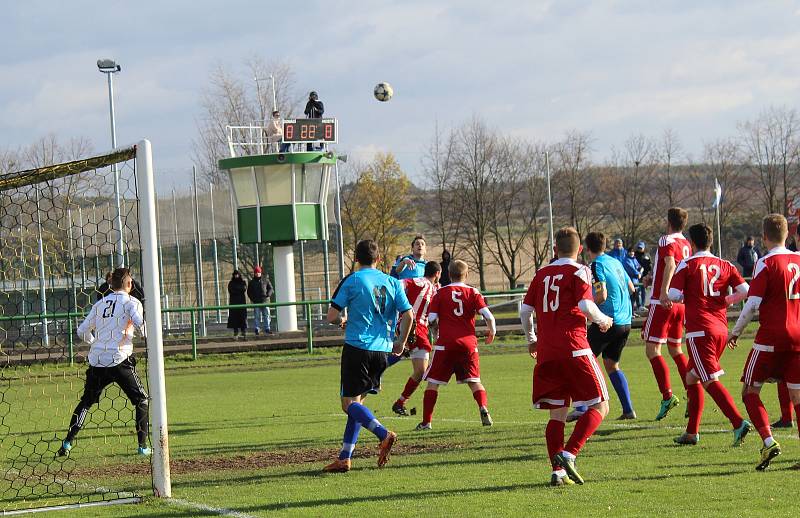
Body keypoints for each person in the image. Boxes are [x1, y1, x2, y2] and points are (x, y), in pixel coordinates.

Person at [520, 227, 613, 486]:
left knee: (557, 414)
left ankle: (557, 472)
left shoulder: (540, 274)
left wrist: (532, 339)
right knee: (601, 406)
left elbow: (525, 311)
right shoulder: (580, 270)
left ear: (554, 250)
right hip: (575, 348)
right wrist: (603, 320)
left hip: (547, 352)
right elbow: (585, 305)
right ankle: (569, 454)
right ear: (579, 249)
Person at [322, 239, 413, 473]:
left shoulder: (353, 280)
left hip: (357, 349)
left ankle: (383, 434)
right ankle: (344, 457)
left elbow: (331, 315)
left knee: (348, 404)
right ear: (379, 259)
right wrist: (400, 343)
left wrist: (342, 320)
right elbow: (409, 315)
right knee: (358, 404)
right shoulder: (393, 282)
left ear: (356, 259)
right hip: (382, 350)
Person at [667, 223, 752, 446]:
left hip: (699, 330)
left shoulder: (687, 264)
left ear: (692, 243)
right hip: (721, 328)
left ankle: (738, 422)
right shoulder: (725, 264)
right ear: (711, 241)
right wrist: (725, 301)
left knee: (708, 379)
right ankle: (691, 432)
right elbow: (744, 291)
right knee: (692, 377)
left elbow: (674, 295)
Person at [729, 214, 800, 471]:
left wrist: (735, 331)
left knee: (749, 391)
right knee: (798, 396)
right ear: (788, 235)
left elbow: (752, 304)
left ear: (764, 236)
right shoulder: (799, 259)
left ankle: (769, 441)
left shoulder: (766, 262)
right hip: (798, 337)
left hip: (771, 336)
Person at [57, 268, 150, 457]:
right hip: (119, 359)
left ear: (110, 285)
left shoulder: (100, 304)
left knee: (86, 402)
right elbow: (141, 327)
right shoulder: (132, 302)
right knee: (142, 400)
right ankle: (142, 447)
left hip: (97, 361)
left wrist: (96, 343)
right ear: (129, 285)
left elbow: (82, 331)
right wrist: (144, 333)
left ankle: (67, 443)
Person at [416, 260, 497, 430]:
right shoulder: (473, 292)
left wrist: (435, 329)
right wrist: (492, 332)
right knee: (475, 381)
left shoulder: (440, 293)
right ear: (466, 275)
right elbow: (488, 316)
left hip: (445, 344)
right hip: (468, 345)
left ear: (448, 274)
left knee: (433, 383)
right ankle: (483, 407)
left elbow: (431, 319)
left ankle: (426, 422)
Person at [567, 232, 636, 422]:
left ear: (587, 249)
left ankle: (581, 407)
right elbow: (631, 288)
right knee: (611, 365)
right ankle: (628, 410)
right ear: (604, 246)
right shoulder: (616, 262)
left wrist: (587, 308)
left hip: (609, 321)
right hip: (626, 322)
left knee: (579, 361)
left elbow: (602, 295)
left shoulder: (596, 265)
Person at [642, 207, 692, 420]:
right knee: (676, 349)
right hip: (680, 303)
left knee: (652, 350)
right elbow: (676, 267)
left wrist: (662, 292)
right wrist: (654, 278)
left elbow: (670, 263)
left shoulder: (666, 240)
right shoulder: (687, 244)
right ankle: (692, 394)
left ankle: (667, 396)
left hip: (662, 302)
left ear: (668, 221)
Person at [391, 261, 442, 416]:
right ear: (438, 274)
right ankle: (399, 401)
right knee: (422, 371)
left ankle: (400, 402)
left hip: (415, 327)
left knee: (419, 370)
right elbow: (397, 283)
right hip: (415, 327)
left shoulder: (433, 289)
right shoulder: (422, 282)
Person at [247, 266, 274, 335]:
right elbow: (249, 292)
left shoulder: (265, 280)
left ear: (260, 273)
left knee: (267, 315)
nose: (257, 274)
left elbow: (271, 288)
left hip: (265, 301)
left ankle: (267, 328)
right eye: (256, 272)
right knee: (257, 316)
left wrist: (268, 295)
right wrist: (253, 299)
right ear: (254, 273)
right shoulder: (252, 282)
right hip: (256, 302)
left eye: (258, 272)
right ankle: (257, 329)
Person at [227, 270, 248, 339]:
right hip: (233, 303)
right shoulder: (231, 283)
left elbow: (244, 289)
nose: (236, 276)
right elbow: (231, 290)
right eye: (235, 275)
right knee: (234, 318)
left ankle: (243, 331)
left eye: (237, 274)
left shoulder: (243, 282)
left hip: (242, 303)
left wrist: (236, 290)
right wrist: (239, 290)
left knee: (243, 317)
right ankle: (236, 332)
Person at [634, 241, 652, 310]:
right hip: (637, 276)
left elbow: (650, 264)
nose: (640, 249)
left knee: (643, 291)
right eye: (639, 248)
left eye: (641, 248)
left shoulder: (647, 255)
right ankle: (638, 305)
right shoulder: (635, 255)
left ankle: (643, 304)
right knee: (637, 291)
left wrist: (649, 273)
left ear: (644, 248)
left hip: (645, 275)